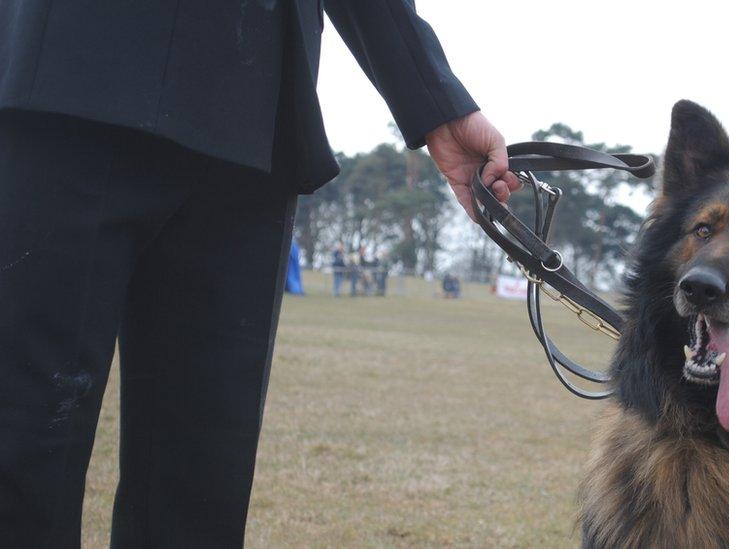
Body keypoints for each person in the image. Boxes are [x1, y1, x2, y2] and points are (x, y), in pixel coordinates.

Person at [0, 1, 520, 546]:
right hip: (66, 73)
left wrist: (437, 106)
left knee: (200, 481)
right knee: (26, 439)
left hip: (253, 114)